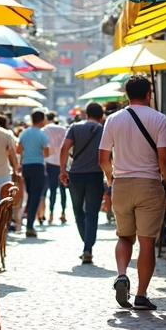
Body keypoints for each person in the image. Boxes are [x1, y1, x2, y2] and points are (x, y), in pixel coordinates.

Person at [98, 75, 166, 310]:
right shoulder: (159, 119)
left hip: (121, 184)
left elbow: (103, 158)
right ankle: (141, 295)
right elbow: (164, 158)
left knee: (124, 236)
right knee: (146, 240)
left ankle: (122, 275)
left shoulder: (113, 119)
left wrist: (111, 178)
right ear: (149, 94)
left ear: (127, 94)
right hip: (149, 184)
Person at [59, 102, 106, 264]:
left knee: (78, 210)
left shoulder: (75, 127)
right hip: (95, 174)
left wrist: (63, 170)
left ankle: (86, 244)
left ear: (86, 114)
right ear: (101, 116)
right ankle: (88, 248)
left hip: (76, 174)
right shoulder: (103, 130)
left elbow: (64, 148)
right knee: (92, 212)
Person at [17, 110, 50, 238]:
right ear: (41, 120)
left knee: (31, 195)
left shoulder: (24, 133)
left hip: (26, 166)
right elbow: (46, 153)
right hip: (38, 166)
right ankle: (30, 225)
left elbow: (19, 150)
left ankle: (29, 223)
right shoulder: (42, 134)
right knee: (36, 196)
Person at [43, 111, 69, 225]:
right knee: (63, 190)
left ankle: (51, 213)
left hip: (50, 162)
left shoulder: (45, 129)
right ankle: (63, 213)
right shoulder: (63, 129)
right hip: (63, 162)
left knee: (52, 190)